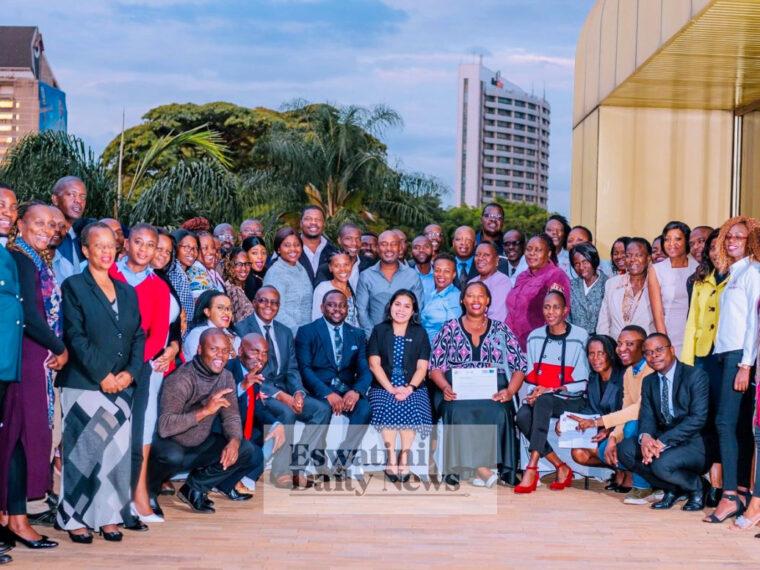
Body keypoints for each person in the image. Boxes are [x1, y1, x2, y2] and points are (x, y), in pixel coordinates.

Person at [57, 222, 145, 543]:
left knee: (115, 455)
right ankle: (73, 517)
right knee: (84, 454)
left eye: (111, 245)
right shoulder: (74, 286)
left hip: (121, 386)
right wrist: (103, 375)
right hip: (85, 383)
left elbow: (138, 336)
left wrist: (129, 373)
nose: (106, 251)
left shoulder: (127, 291)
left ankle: (108, 517)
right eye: (99, 245)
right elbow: (75, 336)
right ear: (85, 250)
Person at [0, 204, 65, 550]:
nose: (47, 229)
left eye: (52, 225)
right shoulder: (21, 259)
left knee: (22, 441)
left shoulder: (36, 259)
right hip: (25, 358)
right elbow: (28, 314)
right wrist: (60, 347)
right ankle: (15, 520)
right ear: (21, 225)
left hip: (36, 358)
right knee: (20, 439)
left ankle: (15, 518)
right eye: (38, 223)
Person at [149, 328, 258, 514]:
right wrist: (206, 410)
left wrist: (234, 441)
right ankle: (148, 492)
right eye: (214, 349)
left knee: (244, 449)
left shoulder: (226, 377)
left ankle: (194, 488)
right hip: (170, 445)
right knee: (172, 456)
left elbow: (231, 416)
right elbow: (165, 427)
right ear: (200, 349)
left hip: (199, 443)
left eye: (225, 351)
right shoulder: (182, 378)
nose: (220, 356)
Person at [429, 281, 527, 486]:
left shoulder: (501, 329)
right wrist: (445, 387)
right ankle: (480, 469)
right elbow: (435, 367)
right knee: (457, 411)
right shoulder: (449, 328)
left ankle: (488, 468)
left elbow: (519, 366)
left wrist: (510, 391)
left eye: (480, 295)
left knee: (500, 411)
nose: (476, 300)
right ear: (463, 301)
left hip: (493, 391)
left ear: (488, 300)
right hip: (456, 391)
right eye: (470, 295)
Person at [108, 223, 173, 525]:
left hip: (140, 369)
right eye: (138, 242)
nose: (144, 249)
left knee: (135, 436)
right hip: (105, 365)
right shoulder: (109, 273)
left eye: (150, 245)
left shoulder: (158, 286)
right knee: (106, 434)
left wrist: (133, 366)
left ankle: (129, 502)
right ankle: (102, 505)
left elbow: (158, 334)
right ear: (126, 243)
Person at [235, 285, 331, 488]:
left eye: (274, 302)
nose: (269, 306)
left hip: (286, 389)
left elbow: (292, 369)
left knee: (322, 409)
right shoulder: (241, 329)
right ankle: (281, 471)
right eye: (263, 301)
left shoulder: (284, 331)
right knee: (286, 413)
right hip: (259, 392)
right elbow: (244, 371)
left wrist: (298, 392)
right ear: (254, 303)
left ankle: (298, 466)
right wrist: (280, 395)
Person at [704, 217, 760, 523]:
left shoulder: (753, 272)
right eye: (729, 236)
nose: (732, 241)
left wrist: (745, 365)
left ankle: (728, 495)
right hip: (724, 354)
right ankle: (739, 491)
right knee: (735, 425)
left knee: (725, 423)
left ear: (751, 241)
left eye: (739, 236)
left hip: (740, 357)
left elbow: (754, 323)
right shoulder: (734, 272)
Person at [617, 333, 710, 512]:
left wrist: (661, 442)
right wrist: (645, 438)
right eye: (648, 352)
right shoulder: (649, 381)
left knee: (660, 464)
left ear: (672, 350)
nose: (654, 356)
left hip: (694, 443)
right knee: (625, 450)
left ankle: (697, 486)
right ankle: (673, 488)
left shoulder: (695, 375)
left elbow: (698, 419)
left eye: (659, 349)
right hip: (664, 441)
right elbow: (647, 416)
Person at [514, 290, 590, 493]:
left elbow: (583, 383)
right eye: (547, 307)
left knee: (545, 399)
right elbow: (532, 379)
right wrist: (533, 393)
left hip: (570, 400)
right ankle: (560, 466)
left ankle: (532, 467)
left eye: (556, 307)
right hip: (542, 399)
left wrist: (550, 390)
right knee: (522, 417)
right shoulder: (535, 337)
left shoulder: (580, 336)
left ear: (565, 310)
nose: (550, 312)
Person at [296, 290, 373, 478]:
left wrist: (356, 391)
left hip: (347, 389)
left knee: (364, 409)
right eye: (331, 305)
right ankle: (317, 461)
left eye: (342, 305)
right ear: (322, 307)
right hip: (319, 389)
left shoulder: (357, 334)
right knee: (323, 409)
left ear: (348, 309)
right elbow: (305, 369)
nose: (337, 309)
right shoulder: (307, 331)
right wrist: (327, 393)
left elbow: (365, 368)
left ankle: (341, 464)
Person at [367, 289, 432, 482]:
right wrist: (391, 389)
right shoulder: (379, 330)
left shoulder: (420, 333)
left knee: (409, 405)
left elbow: (422, 367)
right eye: (397, 304)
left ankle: (404, 457)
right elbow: (374, 364)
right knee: (388, 404)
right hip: (383, 385)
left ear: (413, 311)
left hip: (412, 386)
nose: (401, 310)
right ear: (390, 307)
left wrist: (409, 388)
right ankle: (391, 459)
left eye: (407, 306)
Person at [681, 229, 725, 506]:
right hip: (702, 357)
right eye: (711, 247)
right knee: (704, 419)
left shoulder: (739, 277)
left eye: (719, 246)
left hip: (727, 357)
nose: (714, 252)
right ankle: (714, 481)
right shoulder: (699, 279)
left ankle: (727, 484)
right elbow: (691, 324)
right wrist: (687, 366)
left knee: (724, 421)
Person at [592, 326, 656, 504]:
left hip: (655, 427)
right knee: (605, 449)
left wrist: (601, 421)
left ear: (643, 346)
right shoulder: (629, 372)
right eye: (619, 344)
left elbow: (639, 409)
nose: (621, 349)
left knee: (631, 428)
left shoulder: (651, 369)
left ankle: (643, 486)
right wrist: (613, 437)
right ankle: (654, 481)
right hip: (636, 423)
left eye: (629, 344)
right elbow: (625, 409)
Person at [226, 334, 286, 493]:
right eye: (255, 351)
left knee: (276, 431)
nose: (261, 357)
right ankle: (227, 480)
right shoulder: (227, 369)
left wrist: (277, 425)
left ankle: (246, 478)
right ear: (240, 351)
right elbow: (222, 405)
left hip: (245, 427)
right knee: (254, 450)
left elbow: (258, 410)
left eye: (265, 353)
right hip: (225, 430)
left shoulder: (255, 374)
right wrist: (243, 386)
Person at [561, 335, 624, 484]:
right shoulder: (594, 378)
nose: (595, 358)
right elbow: (590, 408)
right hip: (600, 429)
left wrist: (609, 430)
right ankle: (619, 468)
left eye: (601, 353)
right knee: (578, 453)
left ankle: (627, 472)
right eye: (591, 354)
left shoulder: (623, 377)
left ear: (611, 354)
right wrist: (565, 421)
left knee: (600, 447)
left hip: (622, 431)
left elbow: (628, 412)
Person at [0, 185, 22, 562]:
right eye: (0, 204)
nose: (7, 211)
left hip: (6, 364)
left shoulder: (7, 251)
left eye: (12, 207)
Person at [506, 233, 571, 351]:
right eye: (529, 249)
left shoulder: (556, 275)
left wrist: (543, 343)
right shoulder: (522, 276)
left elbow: (558, 314)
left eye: (538, 250)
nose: (532, 253)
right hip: (512, 344)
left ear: (549, 253)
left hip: (538, 345)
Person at [356, 230, 424, 338]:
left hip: (405, 339)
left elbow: (418, 310)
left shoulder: (412, 276)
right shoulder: (366, 276)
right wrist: (373, 336)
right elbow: (362, 311)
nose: (389, 248)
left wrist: (407, 337)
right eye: (384, 244)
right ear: (377, 248)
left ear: (399, 248)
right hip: (375, 338)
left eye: (393, 244)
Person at [648, 221, 698, 356]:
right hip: (669, 332)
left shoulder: (698, 268)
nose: (671, 244)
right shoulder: (656, 270)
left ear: (686, 241)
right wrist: (664, 343)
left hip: (694, 333)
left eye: (678, 239)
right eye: (667, 239)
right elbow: (658, 313)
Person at [597, 238, 655, 340]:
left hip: (645, 346)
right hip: (616, 346)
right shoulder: (612, 284)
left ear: (649, 258)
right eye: (628, 256)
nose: (632, 259)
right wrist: (604, 344)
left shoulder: (656, 286)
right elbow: (604, 322)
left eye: (638, 255)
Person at [263, 227, 313, 336]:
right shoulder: (275, 273)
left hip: (305, 332)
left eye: (297, 245)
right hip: (285, 334)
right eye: (287, 245)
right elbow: (276, 311)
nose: (293, 249)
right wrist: (299, 333)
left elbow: (307, 305)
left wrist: (308, 332)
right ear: (279, 249)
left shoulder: (301, 269)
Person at [183, 290, 239, 361]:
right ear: (207, 312)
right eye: (220, 307)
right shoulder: (197, 335)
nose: (226, 312)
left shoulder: (234, 337)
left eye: (229, 308)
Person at [50, 176, 87, 281]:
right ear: (55, 199)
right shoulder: (45, 235)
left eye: (82, 197)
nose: (78, 201)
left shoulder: (78, 238)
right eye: (71, 194)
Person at [314, 223, 372, 290]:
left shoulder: (370, 264)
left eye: (358, 239)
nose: (354, 243)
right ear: (339, 240)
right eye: (348, 239)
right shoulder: (326, 269)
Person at [420, 253, 462, 346]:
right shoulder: (433, 294)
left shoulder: (454, 297)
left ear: (454, 274)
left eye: (446, 271)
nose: (441, 275)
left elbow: (452, 332)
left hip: (440, 350)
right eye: (437, 270)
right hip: (426, 348)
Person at [568, 242, 608, 334]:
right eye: (576, 264)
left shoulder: (608, 285)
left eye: (585, 262)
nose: (581, 267)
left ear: (594, 260)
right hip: (575, 339)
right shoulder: (570, 286)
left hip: (600, 340)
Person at [312, 251, 358, 326]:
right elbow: (317, 318)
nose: (342, 269)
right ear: (330, 268)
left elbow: (354, 319)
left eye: (346, 265)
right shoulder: (323, 289)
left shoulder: (350, 289)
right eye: (337, 266)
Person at [469, 242, 511, 323]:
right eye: (477, 255)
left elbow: (497, 317)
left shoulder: (502, 281)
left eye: (486, 255)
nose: (480, 258)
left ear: (496, 259)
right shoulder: (471, 282)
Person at [298, 206, 338, 284]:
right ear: (301, 223)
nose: (313, 223)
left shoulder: (333, 251)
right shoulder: (287, 250)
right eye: (308, 219)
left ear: (324, 224)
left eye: (318, 219)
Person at [168, 229, 199, 320]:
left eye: (195, 248)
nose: (192, 252)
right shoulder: (175, 271)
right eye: (187, 247)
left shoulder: (182, 271)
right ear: (175, 247)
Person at [222, 247, 254, 325]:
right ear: (229, 265)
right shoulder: (233, 291)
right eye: (239, 264)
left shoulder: (245, 287)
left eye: (247, 264)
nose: (244, 268)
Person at [187, 231, 224, 297]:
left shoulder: (210, 272)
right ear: (196, 250)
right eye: (205, 248)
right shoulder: (195, 274)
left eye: (213, 247)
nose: (212, 252)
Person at [242, 235, 268, 301]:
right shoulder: (242, 278)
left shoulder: (269, 274)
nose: (260, 257)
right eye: (254, 253)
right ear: (245, 255)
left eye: (263, 253)